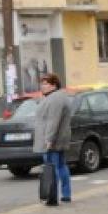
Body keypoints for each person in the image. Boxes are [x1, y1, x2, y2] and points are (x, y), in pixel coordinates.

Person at [32, 73, 73, 206]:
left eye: (45, 84)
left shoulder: (55, 98)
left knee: (52, 168)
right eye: (42, 83)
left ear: (54, 85)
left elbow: (53, 120)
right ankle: (65, 194)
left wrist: (49, 139)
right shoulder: (57, 96)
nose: (42, 86)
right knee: (61, 165)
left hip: (52, 139)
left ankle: (52, 196)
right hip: (59, 137)